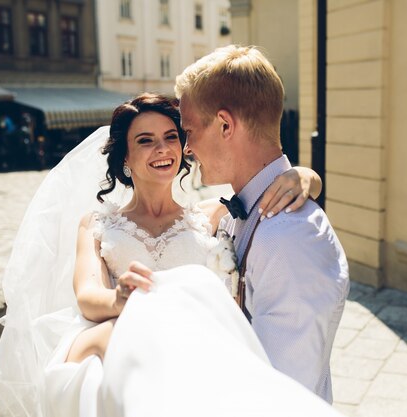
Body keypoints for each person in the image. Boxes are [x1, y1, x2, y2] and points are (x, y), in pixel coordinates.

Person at [0, 93, 342, 417]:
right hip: (122, 350)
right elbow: (88, 297)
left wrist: (306, 177)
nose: (162, 149)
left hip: (196, 362)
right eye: (145, 141)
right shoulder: (96, 225)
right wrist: (121, 298)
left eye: (171, 137)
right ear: (125, 157)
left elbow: (268, 188)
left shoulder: (207, 215)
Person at [130, 46, 350, 403]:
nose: (186, 149)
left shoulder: (290, 240)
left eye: (189, 131)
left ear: (225, 125)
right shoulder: (238, 210)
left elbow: (282, 397)